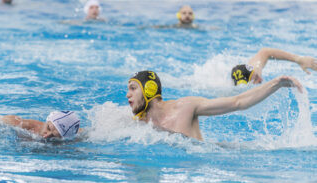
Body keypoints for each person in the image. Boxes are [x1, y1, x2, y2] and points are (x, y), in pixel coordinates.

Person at [127, 70, 303, 141]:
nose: (128, 95)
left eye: (133, 88)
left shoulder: (185, 107)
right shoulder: (138, 124)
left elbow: (238, 102)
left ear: (149, 89)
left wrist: (277, 83)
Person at [231, 48, 317, 85]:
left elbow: (265, 52)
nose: (261, 79)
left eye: (257, 76)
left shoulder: (254, 70)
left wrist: (298, 59)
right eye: (256, 79)